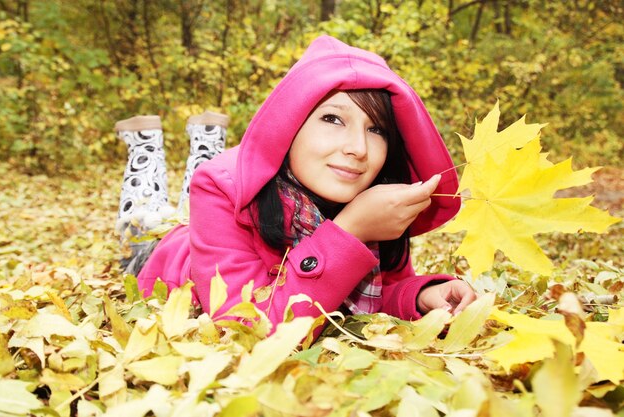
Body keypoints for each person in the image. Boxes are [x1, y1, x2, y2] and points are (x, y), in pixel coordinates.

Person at [117, 35, 476, 335]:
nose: (358, 148)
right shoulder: (219, 188)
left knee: (197, 181)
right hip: (167, 257)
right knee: (146, 219)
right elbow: (246, 327)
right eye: (333, 118)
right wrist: (350, 231)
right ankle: (148, 145)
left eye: (376, 129)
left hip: (216, 216)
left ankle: (205, 142)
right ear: (289, 125)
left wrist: (424, 295)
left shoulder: (372, 196)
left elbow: (382, 290)